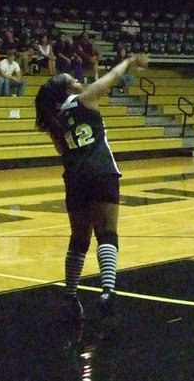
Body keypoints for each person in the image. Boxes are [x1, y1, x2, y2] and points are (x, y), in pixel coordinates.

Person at [34, 52, 149, 324]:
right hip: (100, 171)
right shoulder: (85, 99)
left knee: (79, 240)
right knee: (107, 233)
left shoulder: (54, 121)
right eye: (72, 79)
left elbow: (63, 152)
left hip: (74, 177)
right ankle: (108, 291)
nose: (77, 80)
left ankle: (70, 296)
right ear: (67, 90)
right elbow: (110, 79)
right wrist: (129, 62)